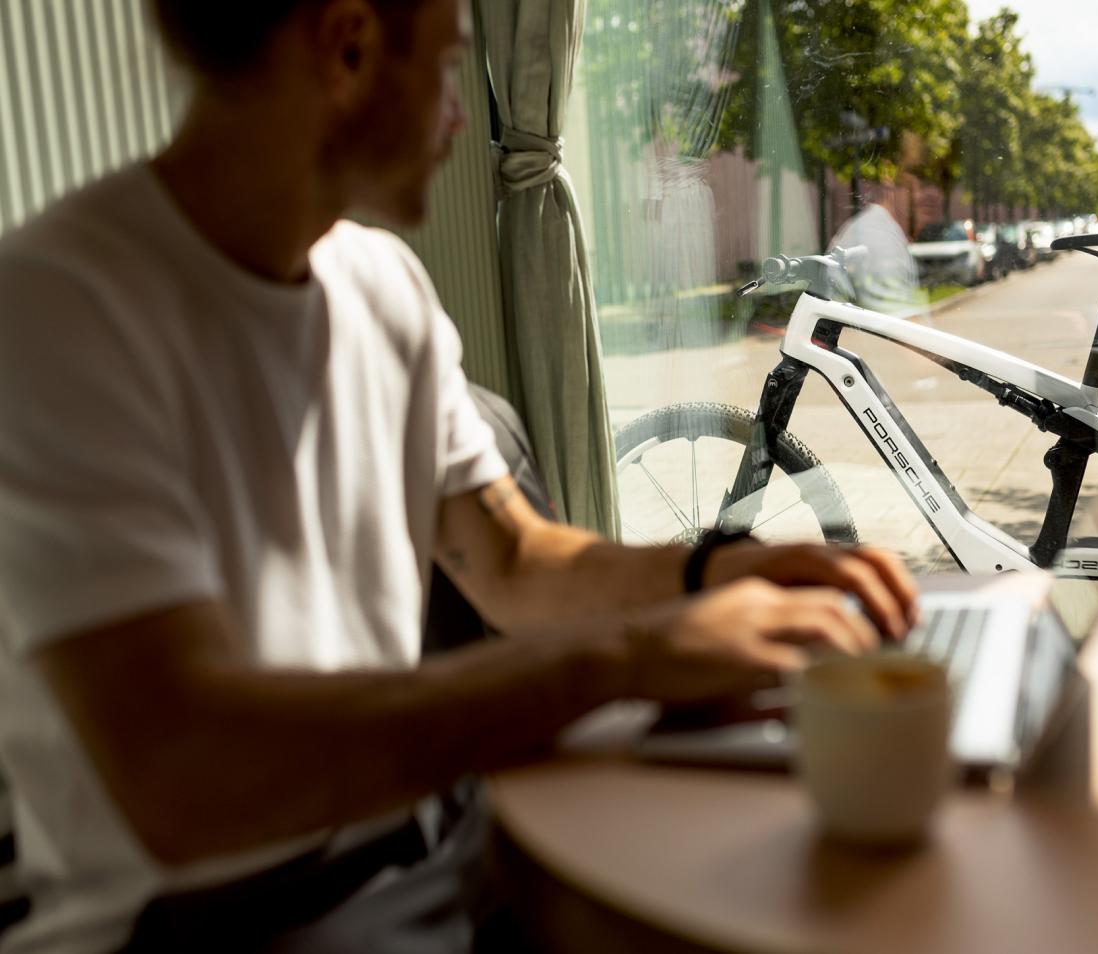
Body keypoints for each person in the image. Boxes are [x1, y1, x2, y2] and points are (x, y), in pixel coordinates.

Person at [0, 1, 918, 950]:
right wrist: (635, 656)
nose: (454, 118)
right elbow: (186, 775)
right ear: (348, 48)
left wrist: (712, 576)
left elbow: (516, 562)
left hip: (419, 838)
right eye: (446, 70)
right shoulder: (56, 306)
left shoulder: (383, 284)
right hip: (198, 923)